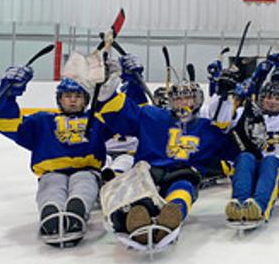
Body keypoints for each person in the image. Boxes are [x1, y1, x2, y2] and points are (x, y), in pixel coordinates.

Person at [96, 61, 235, 247]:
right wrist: (108, 90)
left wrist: (228, 100)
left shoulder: (207, 128)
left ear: (198, 100)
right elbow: (123, 115)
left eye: (188, 98)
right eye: (178, 99)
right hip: (150, 170)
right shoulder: (154, 116)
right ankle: (137, 218)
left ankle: (171, 217)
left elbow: (231, 150)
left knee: (183, 189)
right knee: (141, 193)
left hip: (183, 171)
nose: (183, 103)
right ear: (170, 101)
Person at [0, 65, 119, 247]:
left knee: (84, 186)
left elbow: (122, 118)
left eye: (78, 96)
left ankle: (76, 213)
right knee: (51, 188)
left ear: (86, 99)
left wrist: (128, 82)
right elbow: (7, 124)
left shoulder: (96, 120)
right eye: (68, 96)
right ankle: (50, 215)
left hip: (87, 170)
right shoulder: (42, 121)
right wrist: (9, 92)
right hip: (51, 172)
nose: (73, 101)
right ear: (59, 99)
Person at [221, 62, 279, 227]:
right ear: (261, 98)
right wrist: (222, 91)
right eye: (268, 97)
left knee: (270, 161)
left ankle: (259, 208)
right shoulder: (246, 113)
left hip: (276, 165)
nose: (272, 101)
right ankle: (239, 205)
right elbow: (221, 120)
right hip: (251, 163)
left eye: (277, 98)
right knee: (244, 157)